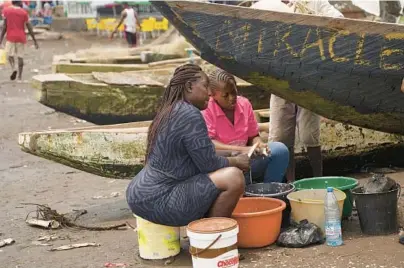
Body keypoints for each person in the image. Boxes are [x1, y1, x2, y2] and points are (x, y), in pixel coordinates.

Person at [126, 64, 251, 227]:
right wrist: (236, 162)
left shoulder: (172, 109)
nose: (210, 93)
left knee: (222, 173)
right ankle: (211, 236)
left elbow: (202, 153)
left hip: (141, 194)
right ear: (189, 86)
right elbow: (209, 164)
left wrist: (230, 155)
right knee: (234, 178)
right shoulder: (189, 114)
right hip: (159, 198)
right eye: (205, 86)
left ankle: (204, 234)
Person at [251, 0, 343, 182]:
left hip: (309, 79)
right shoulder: (270, 5)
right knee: (282, 138)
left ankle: (319, 179)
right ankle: (291, 182)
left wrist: (312, 21)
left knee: (310, 135)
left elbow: (338, 20)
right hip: (281, 80)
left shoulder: (314, 3)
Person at [202, 69, 289, 185]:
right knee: (232, 174)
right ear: (213, 95)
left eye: (234, 92)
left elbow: (253, 135)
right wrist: (241, 150)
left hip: (246, 160)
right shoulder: (207, 110)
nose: (232, 97)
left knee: (280, 150)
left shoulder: (244, 104)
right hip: (222, 166)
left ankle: (270, 191)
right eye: (225, 95)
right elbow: (209, 144)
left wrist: (259, 145)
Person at [0, 0, 38, 81]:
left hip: (10, 37)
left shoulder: (6, 11)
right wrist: (34, 40)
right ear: (18, 3)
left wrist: (0, 39)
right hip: (21, 37)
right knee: (20, 56)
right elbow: (29, 27)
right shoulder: (24, 13)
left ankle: (13, 68)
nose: (22, 4)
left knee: (10, 55)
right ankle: (20, 77)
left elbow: (4, 27)